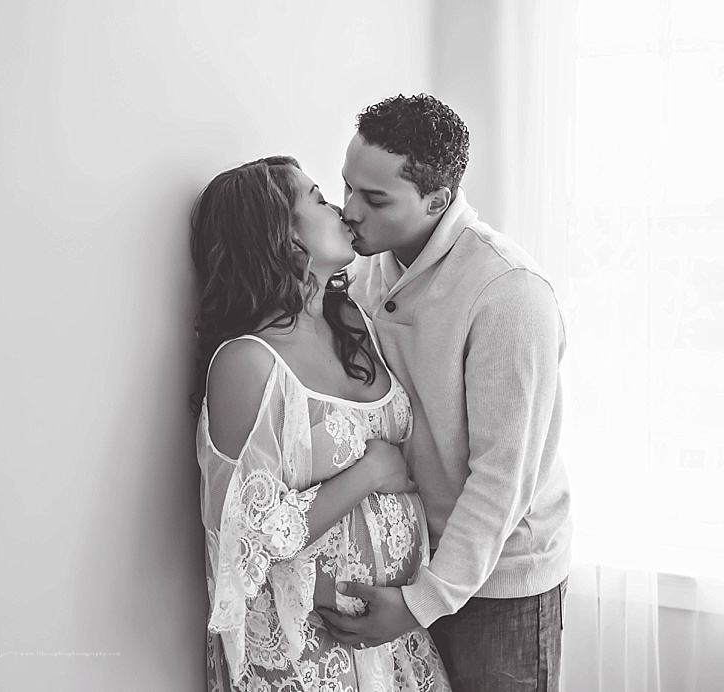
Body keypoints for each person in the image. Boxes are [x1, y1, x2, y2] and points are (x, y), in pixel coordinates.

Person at [317, 94, 572, 692]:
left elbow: (502, 478)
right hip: (412, 565)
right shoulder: (364, 269)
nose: (348, 211)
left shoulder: (508, 292)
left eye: (375, 199)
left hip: (501, 583)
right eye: (346, 187)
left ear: (438, 199)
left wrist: (419, 604)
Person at [192, 156, 451, 691]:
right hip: (305, 657)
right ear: (284, 239)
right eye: (316, 197)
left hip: (396, 644)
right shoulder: (248, 363)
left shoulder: (353, 319)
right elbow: (251, 533)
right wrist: (372, 473)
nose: (339, 205)